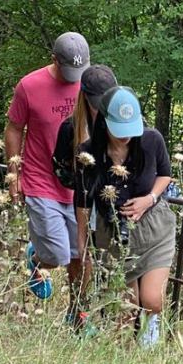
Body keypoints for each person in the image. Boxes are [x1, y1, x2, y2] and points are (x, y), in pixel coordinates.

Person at [75, 87, 174, 347]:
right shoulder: (88, 154)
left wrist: (149, 198)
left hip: (154, 229)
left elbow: (165, 174)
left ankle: (151, 342)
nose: (127, 136)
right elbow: (83, 201)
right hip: (115, 234)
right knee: (125, 307)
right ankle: (126, 359)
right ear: (105, 122)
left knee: (152, 300)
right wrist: (83, 241)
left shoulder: (152, 140)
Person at [5, 32, 90, 302]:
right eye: (69, 70)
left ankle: (77, 315)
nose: (75, 77)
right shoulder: (30, 86)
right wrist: (13, 173)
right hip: (41, 179)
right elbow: (14, 128)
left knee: (79, 254)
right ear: (53, 59)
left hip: (78, 185)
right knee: (56, 254)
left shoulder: (90, 85)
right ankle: (38, 256)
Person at [52, 63, 118, 331]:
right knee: (82, 256)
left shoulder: (123, 122)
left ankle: (101, 315)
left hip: (109, 201)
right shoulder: (70, 129)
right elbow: (61, 171)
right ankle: (78, 310)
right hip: (79, 199)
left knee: (106, 256)